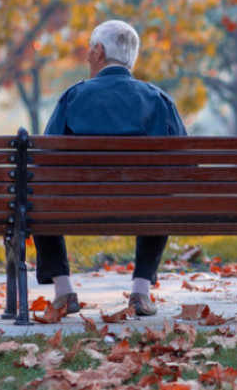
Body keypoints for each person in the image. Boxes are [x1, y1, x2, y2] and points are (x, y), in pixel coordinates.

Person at [33, 19, 187, 317]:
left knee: (36, 197)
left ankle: (64, 291)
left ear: (100, 51)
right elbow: (185, 165)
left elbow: (45, 161)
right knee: (160, 195)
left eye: (90, 49)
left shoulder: (73, 96)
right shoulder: (158, 99)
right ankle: (140, 291)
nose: (88, 55)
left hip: (76, 207)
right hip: (146, 206)